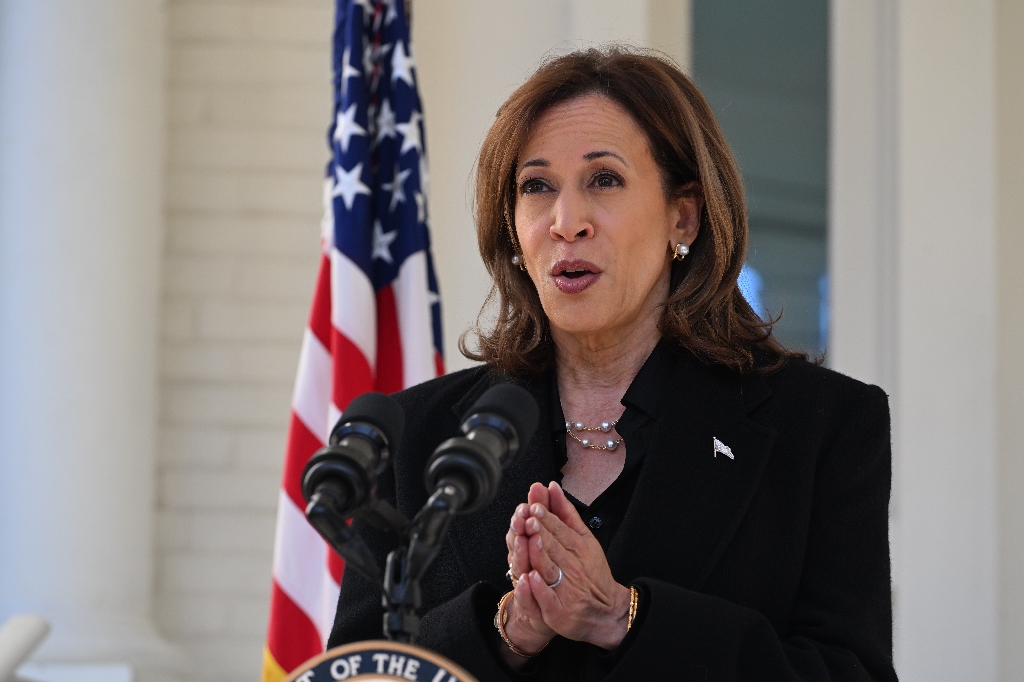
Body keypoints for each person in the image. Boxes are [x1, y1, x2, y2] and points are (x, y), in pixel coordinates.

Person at [327, 47, 897, 682]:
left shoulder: (822, 426)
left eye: (603, 180)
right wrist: (506, 630)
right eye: (536, 186)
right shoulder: (413, 439)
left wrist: (621, 619)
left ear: (684, 215)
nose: (566, 222)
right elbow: (355, 673)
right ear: (512, 228)